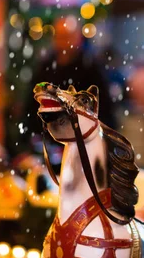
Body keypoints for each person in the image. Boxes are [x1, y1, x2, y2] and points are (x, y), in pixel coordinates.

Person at [22, 16, 117, 159]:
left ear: (78, 38)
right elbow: (32, 103)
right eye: (60, 36)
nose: (64, 41)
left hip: (83, 144)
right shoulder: (46, 67)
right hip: (49, 142)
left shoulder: (90, 68)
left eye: (67, 36)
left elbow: (104, 107)